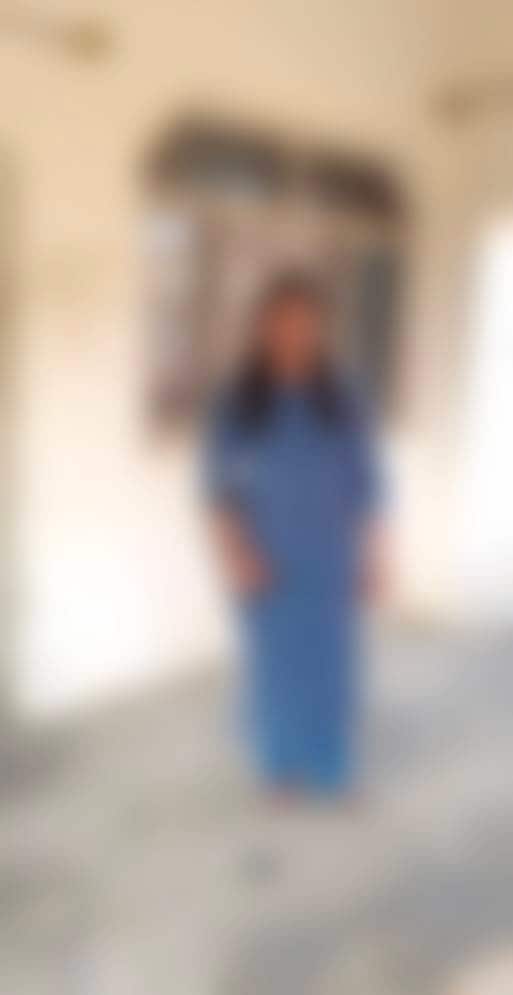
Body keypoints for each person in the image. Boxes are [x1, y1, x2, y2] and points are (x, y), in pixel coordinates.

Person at [204, 271, 386, 798]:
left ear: (320, 329)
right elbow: (219, 489)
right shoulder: (239, 403)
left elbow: (367, 485)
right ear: (262, 328)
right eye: (281, 321)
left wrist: (373, 557)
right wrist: (238, 555)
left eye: (305, 322)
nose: (293, 332)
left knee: (330, 667)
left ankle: (330, 767)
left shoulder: (343, 399)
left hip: (330, 558)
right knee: (274, 669)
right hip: (268, 558)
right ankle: (280, 766)